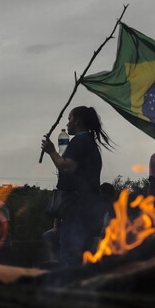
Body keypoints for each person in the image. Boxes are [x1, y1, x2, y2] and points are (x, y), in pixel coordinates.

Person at [41, 106, 112, 266]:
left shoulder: (80, 140)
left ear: (78, 120)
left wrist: (51, 151)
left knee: (71, 257)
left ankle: (71, 287)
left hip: (77, 209)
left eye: (70, 118)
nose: (68, 123)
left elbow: (67, 167)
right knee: (84, 257)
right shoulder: (90, 143)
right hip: (89, 209)